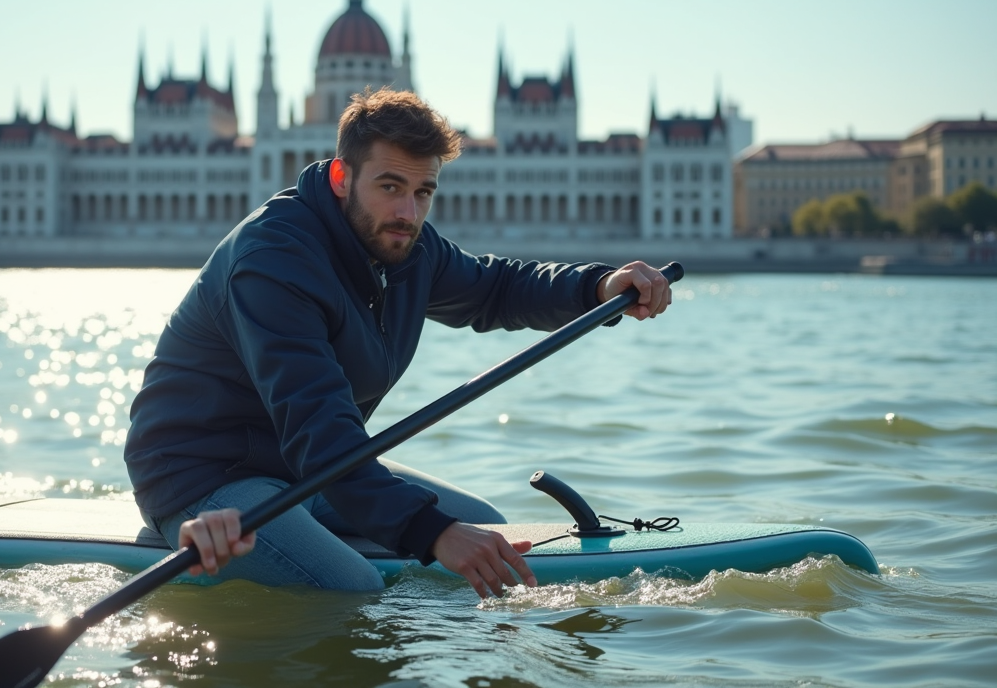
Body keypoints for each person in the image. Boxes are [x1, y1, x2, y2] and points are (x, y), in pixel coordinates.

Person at [125, 88, 671, 598]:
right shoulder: (272, 261)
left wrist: (598, 287)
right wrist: (433, 532)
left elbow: (495, 288)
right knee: (357, 589)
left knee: (491, 529)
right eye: (390, 187)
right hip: (205, 477)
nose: (408, 213)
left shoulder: (405, 245)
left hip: (305, 470)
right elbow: (320, 427)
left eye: (423, 191)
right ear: (341, 176)